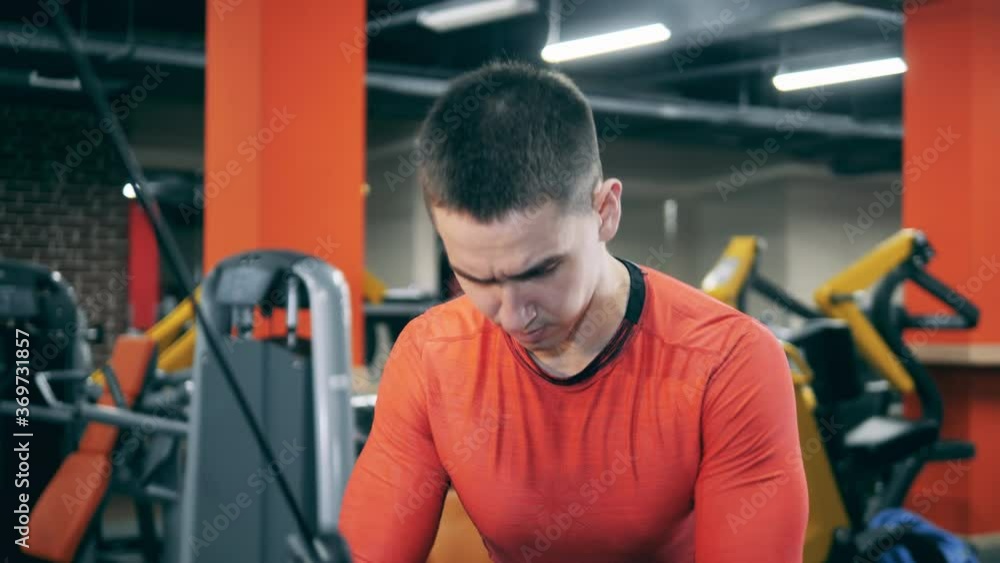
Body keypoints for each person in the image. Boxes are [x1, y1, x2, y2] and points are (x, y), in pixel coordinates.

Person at [339, 60, 808, 562]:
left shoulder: (728, 361)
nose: (515, 316)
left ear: (605, 211)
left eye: (540, 271)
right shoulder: (430, 356)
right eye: (477, 279)